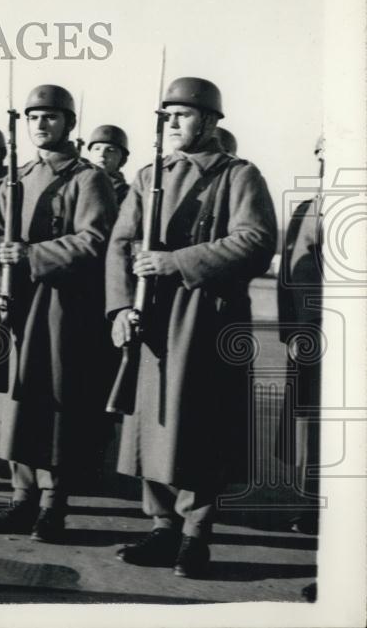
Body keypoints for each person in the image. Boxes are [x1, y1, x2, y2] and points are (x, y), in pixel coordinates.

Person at [107, 76, 276, 578]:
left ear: (209, 120)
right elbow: (121, 243)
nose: (173, 123)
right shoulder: (147, 175)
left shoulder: (238, 175)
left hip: (207, 316)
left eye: (183, 114)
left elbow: (255, 240)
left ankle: (194, 537)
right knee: (150, 422)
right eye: (167, 116)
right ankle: (161, 527)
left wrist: (175, 261)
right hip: (150, 314)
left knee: (200, 426)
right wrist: (119, 308)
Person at [0, 85, 117, 541]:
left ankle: (53, 505)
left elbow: (94, 239)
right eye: (34, 117)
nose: (41, 125)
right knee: (14, 403)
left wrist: (33, 255)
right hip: (15, 303)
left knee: (55, 406)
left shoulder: (87, 178)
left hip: (61, 306)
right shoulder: (17, 178)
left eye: (51, 117)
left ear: (69, 124)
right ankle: (20, 499)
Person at [276, 135, 324, 538]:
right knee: (312, 427)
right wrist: (291, 329)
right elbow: (292, 274)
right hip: (313, 336)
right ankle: (312, 504)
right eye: (323, 153)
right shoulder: (309, 208)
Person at [86, 124, 131, 204]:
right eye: (97, 149)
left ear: (123, 160)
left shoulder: (127, 194)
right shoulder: (79, 184)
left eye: (110, 150)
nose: (102, 154)